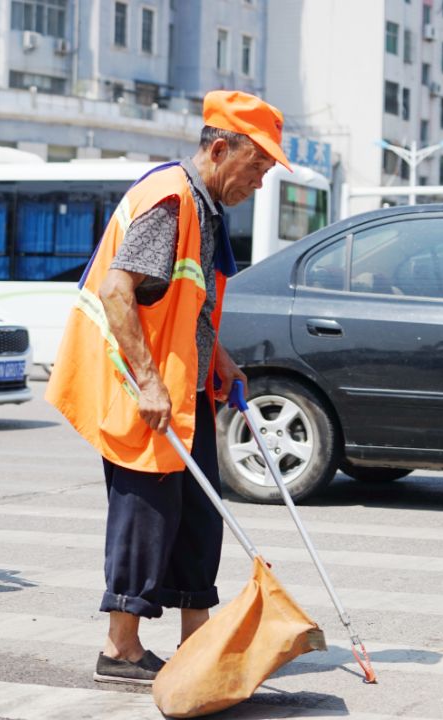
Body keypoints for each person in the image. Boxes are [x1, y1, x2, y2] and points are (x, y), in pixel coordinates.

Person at [46, 90, 290, 685]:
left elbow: (185, 302)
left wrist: (220, 359)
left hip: (184, 388)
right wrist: (150, 383)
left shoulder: (205, 206)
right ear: (220, 148)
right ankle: (120, 650)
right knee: (146, 518)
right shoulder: (171, 200)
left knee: (200, 517)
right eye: (257, 164)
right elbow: (117, 292)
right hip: (142, 390)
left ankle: (196, 643)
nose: (261, 181)